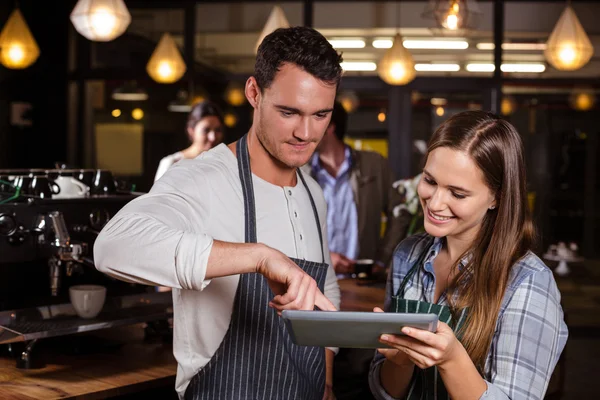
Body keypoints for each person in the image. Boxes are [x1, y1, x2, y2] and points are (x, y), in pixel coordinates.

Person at [94, 26, 343, 400]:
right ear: (254, 93)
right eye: (289, 112)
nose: (306, 133)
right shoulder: (201, 178)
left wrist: (325, 380)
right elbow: (112, 246)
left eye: (321, 114)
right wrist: (259, 257)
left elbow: (326, 288)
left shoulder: (313, 192)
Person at [369, 111, 568, 400]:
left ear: (496, 197)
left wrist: (452, 360)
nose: (435, 203)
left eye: (458, 194)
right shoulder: (407, 256)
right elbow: (383, 391)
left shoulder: (528, 283)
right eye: (430, 181)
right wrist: (399, 359)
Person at [303, 101, 399, 275]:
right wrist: (322, 257)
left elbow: (399, 212)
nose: (304, 132)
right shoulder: (300, 172)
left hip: (362, 279)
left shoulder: (374, 164)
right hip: (315, 278)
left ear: (329, 127)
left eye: (311, 124)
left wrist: (382, 259)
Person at [154, 100, 224, 182]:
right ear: (191, 131)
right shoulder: (171, 163)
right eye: (206, 130)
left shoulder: (224, 164)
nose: (213, 137)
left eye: (218, 130)